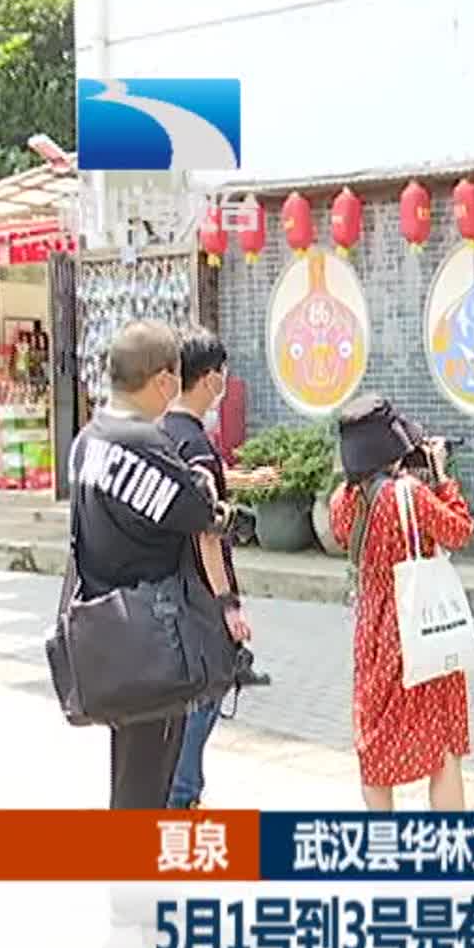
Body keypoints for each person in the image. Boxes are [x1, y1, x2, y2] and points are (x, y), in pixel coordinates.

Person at [67, 319, 237, 808]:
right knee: (146, 789)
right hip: (155, 644)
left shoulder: (88, 440)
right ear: (164, 380)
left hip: (107, 632)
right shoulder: (143, 446)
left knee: (131, 777)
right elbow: (201, 513)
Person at [330, 397, 474, 811]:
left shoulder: (344, 501)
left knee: (375, 740)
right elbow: (459, 531)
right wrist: (442, 476)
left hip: (372, 633)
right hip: (420, 627)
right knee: (441, 743)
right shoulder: (410, 495)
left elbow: (344, 536)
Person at [161, 327, 276, 808]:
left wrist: (244, 478)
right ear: (209, 378)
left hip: (168, 591)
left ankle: (174, 792)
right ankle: (182, 797)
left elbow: (207, 482)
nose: (226, 381)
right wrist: (229, 604)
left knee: (181, 702)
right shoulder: (196, 444)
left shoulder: (164, 433)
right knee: (205, 696)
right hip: (201, 595)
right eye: (223, 373)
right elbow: (207, 533)